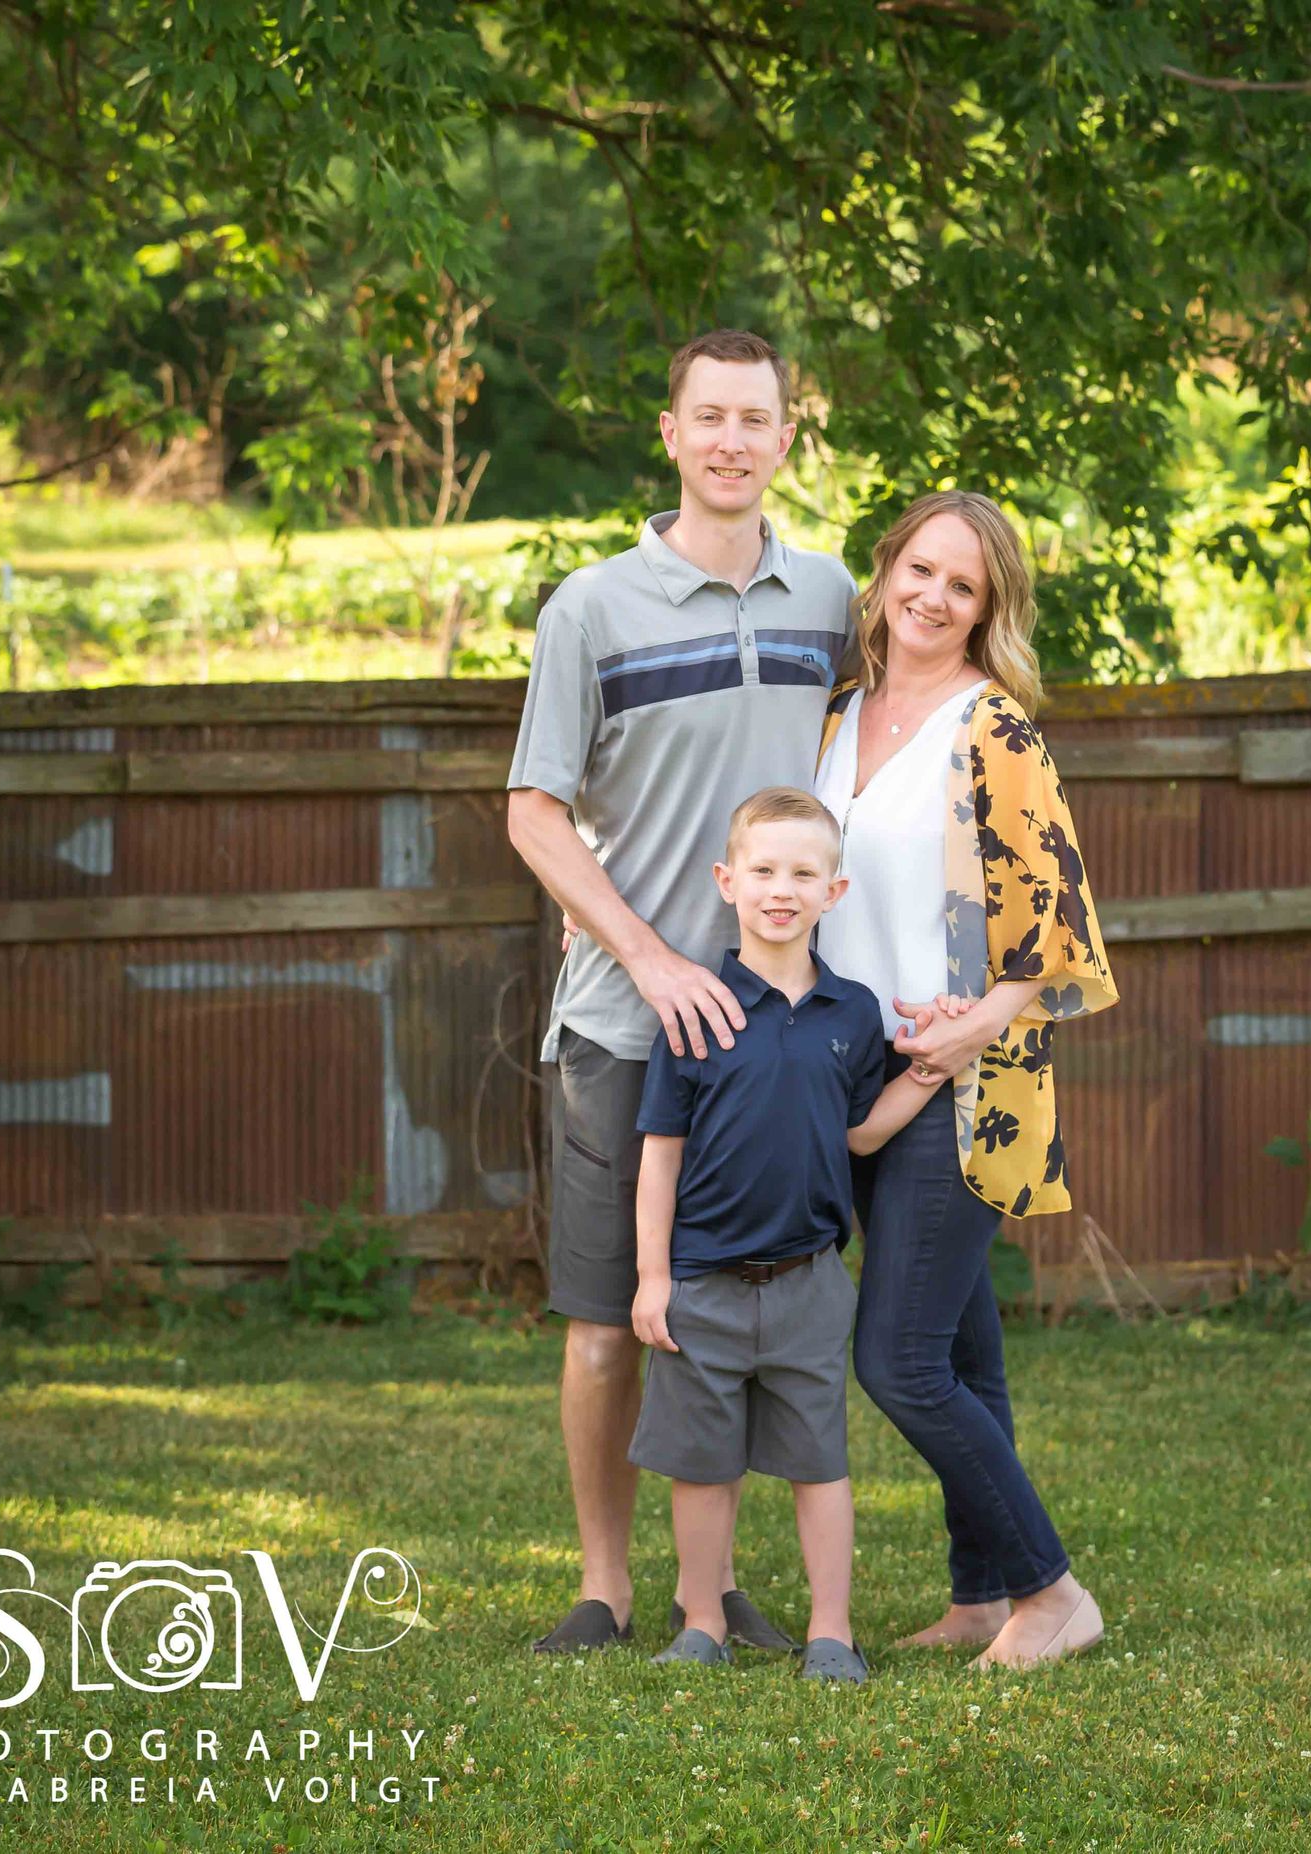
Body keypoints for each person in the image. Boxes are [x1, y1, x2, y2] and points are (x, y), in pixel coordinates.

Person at [506, 330, 858, 1655]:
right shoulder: (592, 609)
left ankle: (712, 1590)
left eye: (755, 419)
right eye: (708, 415)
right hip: (624, 1021)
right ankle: (605, 1585)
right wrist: (652, 955)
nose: (731, 440)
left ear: (784, 436)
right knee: (611, 1321)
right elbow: (534, 813)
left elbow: (881, 762)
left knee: (759, 1315)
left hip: (777, 1034)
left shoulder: (828, 600)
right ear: (670, 432)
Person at [810, 489, 1122, 1669]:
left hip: (965, 1083)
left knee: (895, 1359)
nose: (935, 599)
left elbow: (1061, 926)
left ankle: (1053, 1592)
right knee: (964, 1358)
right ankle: (979, 1595)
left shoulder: (995, 730)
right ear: (887, 571)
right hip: (861, 1078)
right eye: (922, 572)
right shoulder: (838, 716)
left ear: (989, 611)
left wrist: (967, 1031)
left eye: (965, 587)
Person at [630, 788, 946, 1680]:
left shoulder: (852, 1014)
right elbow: (660, 1155)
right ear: (729, 882)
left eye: (804, 873)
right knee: (702, 1464)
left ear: (833, 892)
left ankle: (832, 1633)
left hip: (810, 1278)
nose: (782, 889)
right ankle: (701, 1622)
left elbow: (860, 1135)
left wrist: (928, 1070)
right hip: (702, 1282)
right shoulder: (695, 1008)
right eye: (763, 871)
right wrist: (654, 1278)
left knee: (820, 1462)